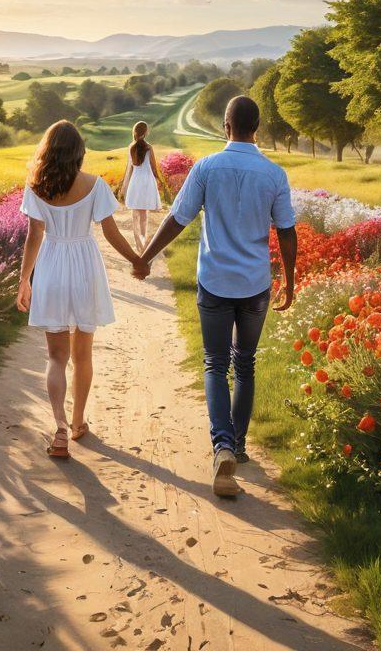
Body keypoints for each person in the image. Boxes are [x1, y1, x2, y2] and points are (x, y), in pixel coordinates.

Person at [133, 96, 297, 497]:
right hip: (256, 284)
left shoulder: (207, 167)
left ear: (226, 126)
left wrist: (145, 257)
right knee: (245, 364)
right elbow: (287, 231)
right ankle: (237, 447)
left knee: (214, 363)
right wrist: (290, 280)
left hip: (215, 281)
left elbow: (178, 218)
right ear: (256, 127)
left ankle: (221, 445)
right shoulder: (274, 174)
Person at [16, 120, 142, 459]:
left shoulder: (36, 186)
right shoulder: (95, 185)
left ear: (47, 151)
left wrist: (24, 280)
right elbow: (112, 233)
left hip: (52, 264)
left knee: (56, 357)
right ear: (79, 152)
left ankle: (57, 428)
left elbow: (34, 236)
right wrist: (136, 258)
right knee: (83, 354)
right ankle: (76, 422)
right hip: (85, 266)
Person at [119, 120, 163, 253]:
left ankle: (137, 241)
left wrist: (124, 187)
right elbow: (154, 168)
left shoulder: (131, 147)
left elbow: (129, 169)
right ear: (145, 132)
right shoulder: (149, 148)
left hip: (136, 181)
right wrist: (159, 180)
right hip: (147, 181)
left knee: (135, 213)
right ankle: (143, 242)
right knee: (144, 214)